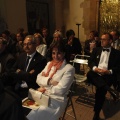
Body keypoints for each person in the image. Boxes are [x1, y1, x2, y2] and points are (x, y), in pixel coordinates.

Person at [26, 40, 75, 120]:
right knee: (25, 108)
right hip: (42, 96)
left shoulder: (69, 68)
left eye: (58, 53)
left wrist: (45, 88)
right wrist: (49, 81)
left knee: (37, 113)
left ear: (64, 54)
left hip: (56, 100)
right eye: (53, 53)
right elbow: (38, 78)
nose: (55, 56)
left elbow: (60, 90)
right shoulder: (49, 64)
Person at [87, 33, 120, 120]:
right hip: (95, 74)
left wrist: (109, 71)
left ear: (110, 41)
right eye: (101, 39)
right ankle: (110, 90)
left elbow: (118, 67)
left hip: (107, 76)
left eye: (104, 39)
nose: (101, 41)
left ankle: (96, 114)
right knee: (89, 74)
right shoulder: (96, 50)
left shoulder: (116, 53)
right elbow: (90, 62)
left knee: (100, 91)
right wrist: (95, 69)